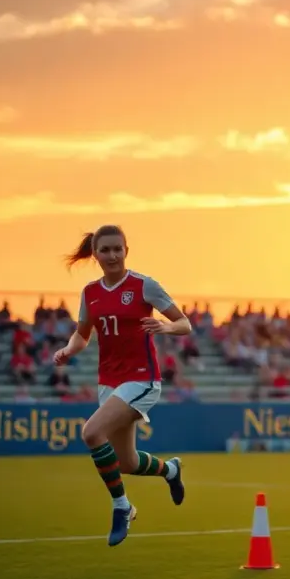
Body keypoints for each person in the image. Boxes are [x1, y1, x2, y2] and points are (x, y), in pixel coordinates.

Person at [54, 225, 191, 547]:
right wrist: (69, 349)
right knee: (126, 463)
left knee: (90, 433)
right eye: (106, 250)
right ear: (96, 254)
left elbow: (184, 323)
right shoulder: (91, 293)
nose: (112, 255)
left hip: (142, 378)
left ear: (126, 250)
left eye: (118, 249)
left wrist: (165, 327)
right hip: (109, 381)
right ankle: (169, 470)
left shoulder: (144, 286)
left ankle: (122, 507)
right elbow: (82, 334)